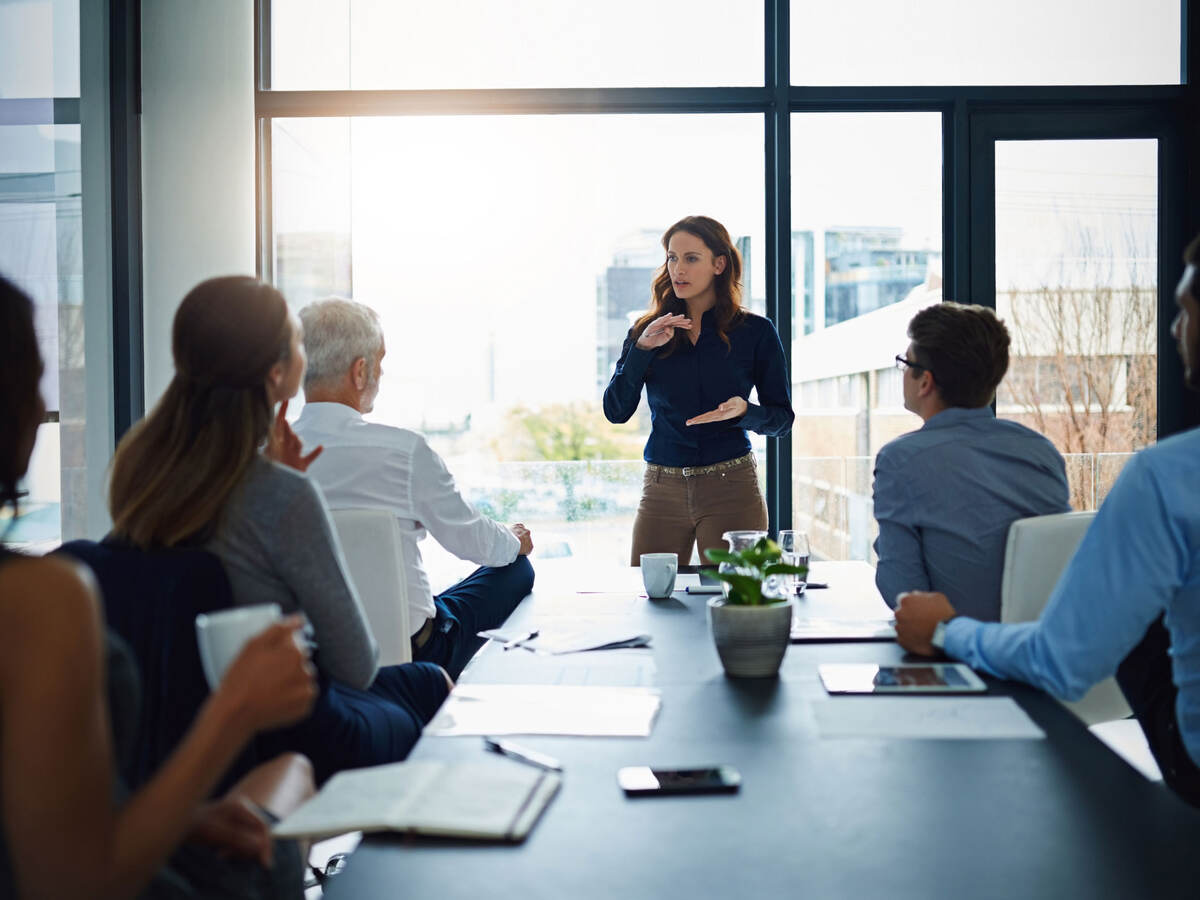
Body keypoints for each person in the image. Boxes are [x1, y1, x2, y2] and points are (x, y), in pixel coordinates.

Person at [0, 274, 317, 898]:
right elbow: (75, 883)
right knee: (292, 777)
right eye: (36, 383)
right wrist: (233, 711)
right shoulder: (41, 599)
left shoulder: (137, 464)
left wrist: (187, 821)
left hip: (131, 842)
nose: (42, 407)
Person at [893, 235, 1200, 808]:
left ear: (924, 378)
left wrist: (945, 628)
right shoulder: (1041, 451)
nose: (1174, 330)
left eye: (1184, 310)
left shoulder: (1165, 477)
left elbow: (1063, 662)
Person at [106, 276, 452, 780]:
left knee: (420, 682)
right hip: (289, 719)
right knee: (431, 684)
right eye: (296, 341)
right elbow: (356, 664)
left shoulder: (140, 473)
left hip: (190, 712)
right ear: (279, 371)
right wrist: (289, 489)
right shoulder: (279, 493)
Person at [292, 298, 535, 680]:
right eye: (379, 362)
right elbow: (473, 542)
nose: (381, 373)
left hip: (309, 661)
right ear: (360, 372)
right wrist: (514, 539)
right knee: (516, 568)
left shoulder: (264, 457)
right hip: (415, 654)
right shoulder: (402, 451)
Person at [603, 215, 794, 565]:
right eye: (672, 258)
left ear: (719, 264)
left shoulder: (756, 331)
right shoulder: (647, 331)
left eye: (691, 258)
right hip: (662, 490)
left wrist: (745, 412)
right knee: (652, 600)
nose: (678, 269)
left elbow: (782, 420)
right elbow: (616, 411)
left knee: (736, 602)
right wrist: (641, 351)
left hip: (732, 488)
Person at [873, 302, 1070, 620]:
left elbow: (904, 595)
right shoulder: (1041, 451)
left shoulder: (901, 460)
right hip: (1036, 653)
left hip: (952, 656)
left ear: (925, 382)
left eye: (905, 363)